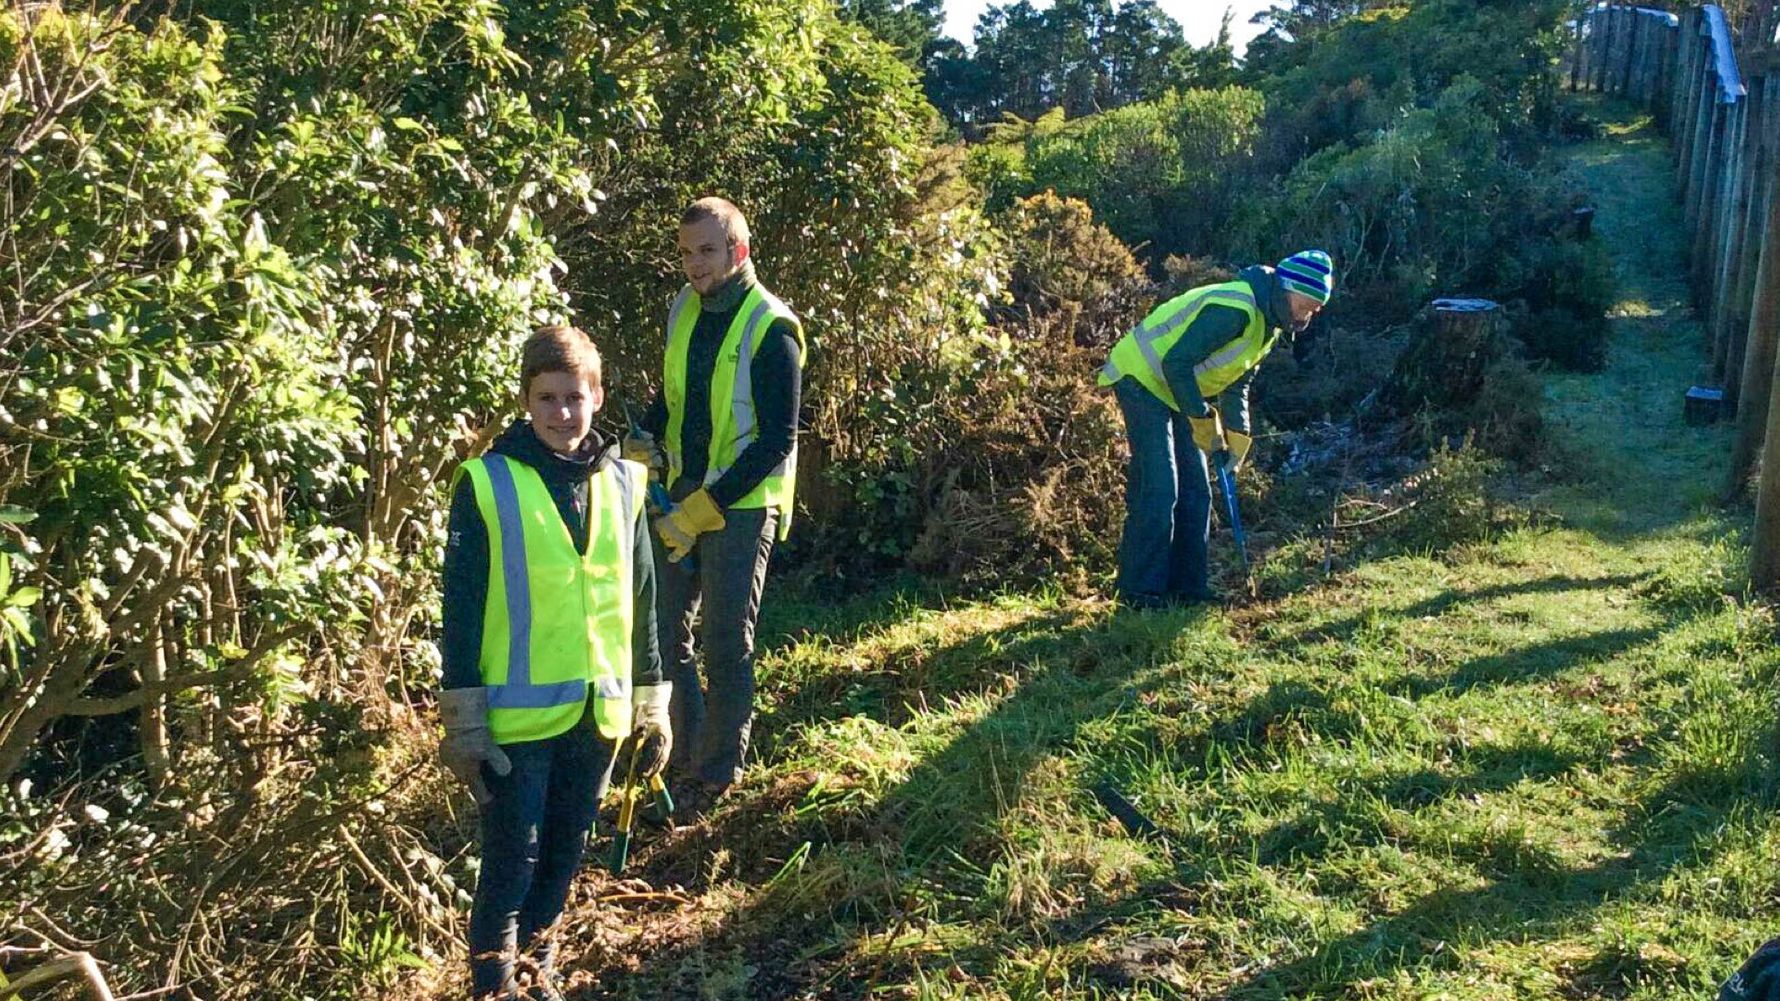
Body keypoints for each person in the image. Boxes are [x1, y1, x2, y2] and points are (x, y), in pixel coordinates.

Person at [436, 325, 669, 1000]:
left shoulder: (627, 482)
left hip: (598, 712)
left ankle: (539, 982)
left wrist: (654, 706)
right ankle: (495, 992)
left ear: (597, 396)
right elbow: (462, 608)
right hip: (514, 722)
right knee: (511, 870)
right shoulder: (485, 482)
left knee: (562, 864)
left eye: (574, 397)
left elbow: (644, 599)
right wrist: (464, 720)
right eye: (547, 398)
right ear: (526, 400)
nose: (562, 413)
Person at [627, 196, 805, 820]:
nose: (694, 265)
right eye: (685, 253)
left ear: (739, 250)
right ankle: (681, 757)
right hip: (676, 494)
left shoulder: (772, 328)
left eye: (706, 250)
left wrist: (705, 506)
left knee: (726, 643)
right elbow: (672, 396)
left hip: (741, 507)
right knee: (663, 636)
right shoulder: (684, 308)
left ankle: (717, 775)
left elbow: (777, 441)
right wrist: (641, 436)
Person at [1098, 250, 1334, 608]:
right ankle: (1139, 594)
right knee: (1161, 488)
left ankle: (1187, 590)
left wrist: (1238, 437)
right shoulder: (1235, 309)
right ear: (1289, 288)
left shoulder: (1268, 325)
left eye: (1319, 306)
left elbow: (1238, 385)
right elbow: (1175, 362)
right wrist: (1202, 419)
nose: (1313, 312)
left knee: (1197, 492)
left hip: (1176, 391)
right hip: (1141, 379)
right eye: (1311, 302)